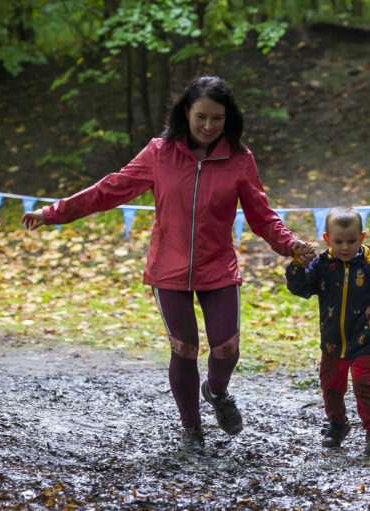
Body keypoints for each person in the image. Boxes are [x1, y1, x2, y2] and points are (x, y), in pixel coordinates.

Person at [21, 76, 316, 453]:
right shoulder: (159, 153)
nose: (209, 126)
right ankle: (191, 428)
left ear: (229, 119)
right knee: (185, 348)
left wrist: (290, 244)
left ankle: (218, 392)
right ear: (185, 114)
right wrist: (53, 213)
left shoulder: (240, 159)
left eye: (218, 118)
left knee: (226, 349)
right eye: (201, 117)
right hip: (168, 269)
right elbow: (109, 190)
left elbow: (261, 215)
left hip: (218, 268)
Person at [285, 206, 370, 456]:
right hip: (332, 343)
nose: (345, 247)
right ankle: (337, 423)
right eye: (339, 241)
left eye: (352, 241)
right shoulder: (321, 265)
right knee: (331, 386)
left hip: (364, 340)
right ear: (327, 239)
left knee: (363, 385)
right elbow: (302, 288)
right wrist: (297, 266)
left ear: (362, 238)